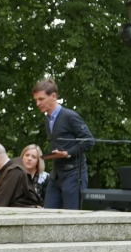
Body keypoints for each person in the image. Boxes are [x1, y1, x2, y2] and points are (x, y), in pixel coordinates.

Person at [34, 78, 95, 210]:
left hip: (74, 174)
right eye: (36, 100)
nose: (38, 103)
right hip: (56, 175)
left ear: (53, 96)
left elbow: (89, 141)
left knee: (71, 219)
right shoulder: (47, 120)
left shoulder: (69, 116)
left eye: (41, 99)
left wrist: (67, 153)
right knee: (47, 215)